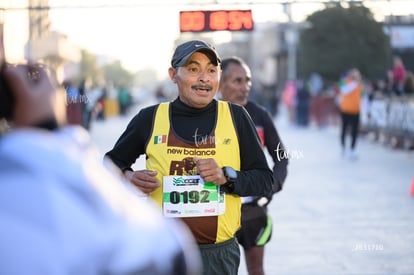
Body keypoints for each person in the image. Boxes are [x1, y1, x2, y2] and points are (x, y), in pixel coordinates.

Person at [0, 63, 201, 275]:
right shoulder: (40, 173)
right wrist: (47, 130)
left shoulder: (235, 116)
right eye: (193, 69)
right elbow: (171, 253)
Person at [105, 40, 274, 275]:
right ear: (173, 75)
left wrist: (226, 176)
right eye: (194, 69)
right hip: (163, 251)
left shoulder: (236, 117)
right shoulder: (150, 118)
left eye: (212, 70)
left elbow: (265, 180)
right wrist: (127, 176)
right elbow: (109, 165)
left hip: (218, 256)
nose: (204, 78)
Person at [218, 56, 288, 275]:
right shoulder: (207, 113)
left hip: (253, 211)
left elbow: (281, 156)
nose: (245, 87)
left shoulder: (260, 115)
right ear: (220, 83)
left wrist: (272, 186)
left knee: (256, 269)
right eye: (237, 81)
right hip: (217, 210)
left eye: (247, 81)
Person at [338, 68, 363, 159]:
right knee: (344, 130)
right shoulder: (343, 81)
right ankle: (343, 147)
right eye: (355, 74)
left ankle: (352, 149)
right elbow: (345, 90)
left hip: (356, 111)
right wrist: (355, 82)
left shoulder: (359, 84)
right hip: (345, 110)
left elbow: (362, 96)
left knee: (355, 131)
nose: (356, 76)